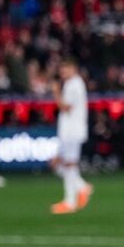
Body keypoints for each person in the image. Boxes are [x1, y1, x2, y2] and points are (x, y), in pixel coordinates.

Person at [50, 60, 93, 214]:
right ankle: (81, 187)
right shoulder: (72, 84)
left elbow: (66, 107)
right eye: (61, 71)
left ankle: (70, 201)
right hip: (68, 131)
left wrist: (55, 92)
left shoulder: (74, 85)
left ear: (74, 68)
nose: (63, 73)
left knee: (67, 164)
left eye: (65, 70)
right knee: (60, 164)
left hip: (72, 131)